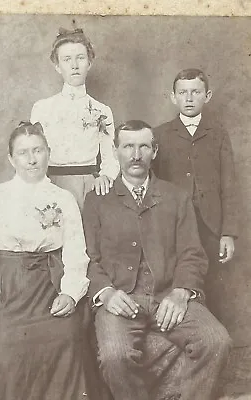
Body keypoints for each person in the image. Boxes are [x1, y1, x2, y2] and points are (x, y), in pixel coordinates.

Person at [82, 120, 232, 400]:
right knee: (115, 357)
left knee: (216, 341)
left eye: (143, 146)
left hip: (168, 295)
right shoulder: (97, 201)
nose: (136, 155)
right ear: (116, 151)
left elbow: (192, 253)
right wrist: (107, 292)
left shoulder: (176, 197)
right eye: (128, 146)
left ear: (155, 151)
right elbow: (88, 258)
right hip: (121, 298)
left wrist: (181, 291)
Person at [0, 121, 89, 400]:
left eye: (38, 150)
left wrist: (70, 294)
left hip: (48, 283)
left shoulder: (63, 199)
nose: (31, 159)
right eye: (23, 153)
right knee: (7, 343)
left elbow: (76, 252)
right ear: (11, 159)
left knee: (64, 337)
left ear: (48, 153)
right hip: (4, 285)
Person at [153, 69, 238, 312]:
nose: (189, 98)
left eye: (196, 92)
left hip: (211, 224)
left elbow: (229, 185)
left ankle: (214, 340)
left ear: (207, 96)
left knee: (213, 282)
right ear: (173, 97)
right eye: (183, 93)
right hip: (173, 223)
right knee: (177, 277)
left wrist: (228, 233)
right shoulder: (160, 134)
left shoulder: (218, 134)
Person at [30, 27, 119, 209]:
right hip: (51, 184)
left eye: (80, 58)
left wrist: (106, 176)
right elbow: (34, 152)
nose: (74, 65)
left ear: (89, 62)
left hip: (89, 187)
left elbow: (111, 158)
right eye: (66, 59)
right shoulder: (42, 108)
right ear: (57, 66)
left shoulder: (101, 110)